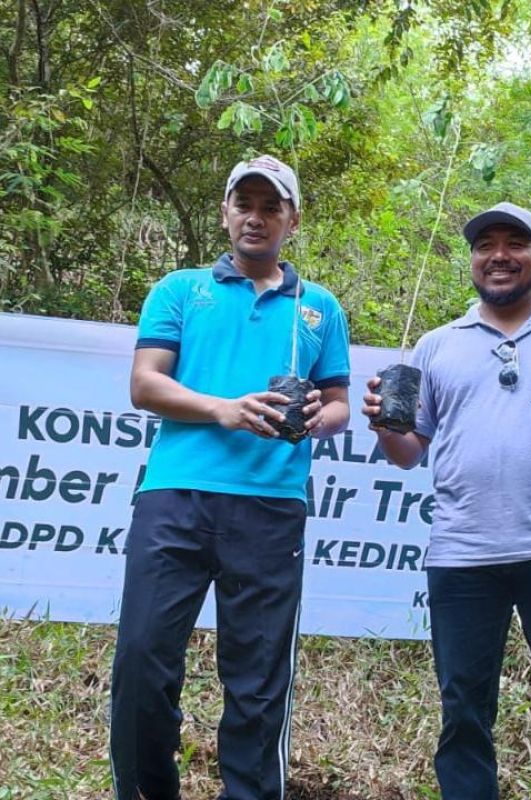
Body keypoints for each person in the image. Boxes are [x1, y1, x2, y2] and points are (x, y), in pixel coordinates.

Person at [362, 201, 531, 800]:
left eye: (515, 243)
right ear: (472, 261)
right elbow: (409, 453)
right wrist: (385, 425)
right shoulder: (437, 345)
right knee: (463, 716)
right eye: (486, 244)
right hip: (461, 557)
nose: (499, 255)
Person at [109, 154, 352, 800]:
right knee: (141, 660)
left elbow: (338, 405)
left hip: (273, 507)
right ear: (225, 213)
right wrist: (225, 409)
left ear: (292, 220)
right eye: (244, 203)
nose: (255, 216)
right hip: (174, 497)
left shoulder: (319, 307)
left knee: (258, 680)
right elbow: (145, 383)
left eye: (271, 206)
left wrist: (316, 418)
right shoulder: (180, 290)